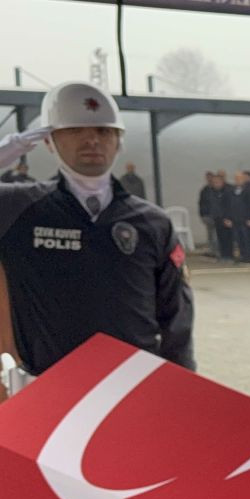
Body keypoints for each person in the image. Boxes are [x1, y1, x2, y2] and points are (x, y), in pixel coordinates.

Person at [0, 81, 194, 393]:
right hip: (48, 389)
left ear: (119, 141)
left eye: (104, 131)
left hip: (134, 388)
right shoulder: (18, 208)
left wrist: (182, 384)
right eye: (75, 130)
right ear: (48, 141)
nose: (92, 139)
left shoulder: (152, 222)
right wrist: (12, 147)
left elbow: (176, 316)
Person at [228, 171, 250, 262]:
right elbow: (229, 204)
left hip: (246, 219)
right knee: (238, 238)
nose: (238, 180)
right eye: (236, 178)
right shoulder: (232, 190)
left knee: (247, 238)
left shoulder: (249, 190)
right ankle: (242, 254)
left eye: (240, 178)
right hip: (235, 219)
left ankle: (249, 256)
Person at [206, 171, 234, 261]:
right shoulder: (212, 192)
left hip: (226, 218)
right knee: (220, 238)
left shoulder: (228, 191)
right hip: (217, 218)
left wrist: (228, 218)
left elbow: (230, 206)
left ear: (222, 182)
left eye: (217, 182)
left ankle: (229, 255)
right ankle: (223, 254)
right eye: (214, 182)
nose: (215, 184)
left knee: (228, 238)